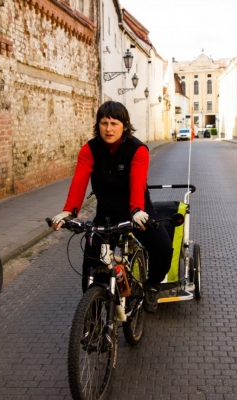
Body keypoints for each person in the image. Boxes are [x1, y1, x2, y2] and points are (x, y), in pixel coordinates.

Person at [51, 101, 173, 313]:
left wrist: (136, 210)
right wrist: (69, 211)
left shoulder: (138, 150)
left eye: (114, 123)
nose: (108, 129)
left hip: (138, 212)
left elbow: (137, 183)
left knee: (162, 247)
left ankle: (152, 285)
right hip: (106, 214)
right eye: (104, 123)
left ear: (124, 126)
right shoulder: (90, 149)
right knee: (91, 264)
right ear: (97, 125)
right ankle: (92, 318)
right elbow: (79, 181)